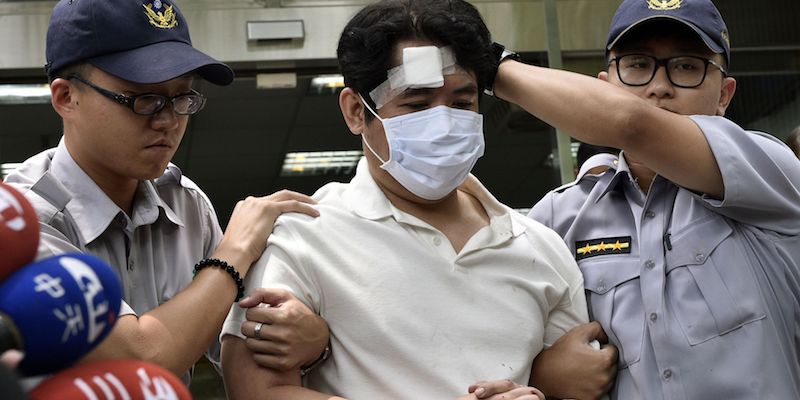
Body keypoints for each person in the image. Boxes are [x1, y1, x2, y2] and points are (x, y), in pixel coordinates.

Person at [220, 1, 606, 399]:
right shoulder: (302, 235)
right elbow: (255, 392)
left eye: (461, 104)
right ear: (356, 111)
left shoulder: (539, 247)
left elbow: (577, 382)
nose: (443, 124)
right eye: (416, 105)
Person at [4, 0, 329, 381]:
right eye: (144, 99)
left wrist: (310, 339)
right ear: (66, 97)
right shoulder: (19, 221)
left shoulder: (185, 203)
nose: (168, 121)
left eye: (182, 98)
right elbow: (140, 362)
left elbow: (243, 347)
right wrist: (234, 252)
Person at [491, 0, 800, 398]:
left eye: (687, 66)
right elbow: (502, 347)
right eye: (637, 65)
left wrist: (491, 65)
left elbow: (631, 123)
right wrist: (543, 375)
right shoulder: (560, 215)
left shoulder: (770, 173)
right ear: (605, 87)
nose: (659, 86)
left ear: (724, 95)